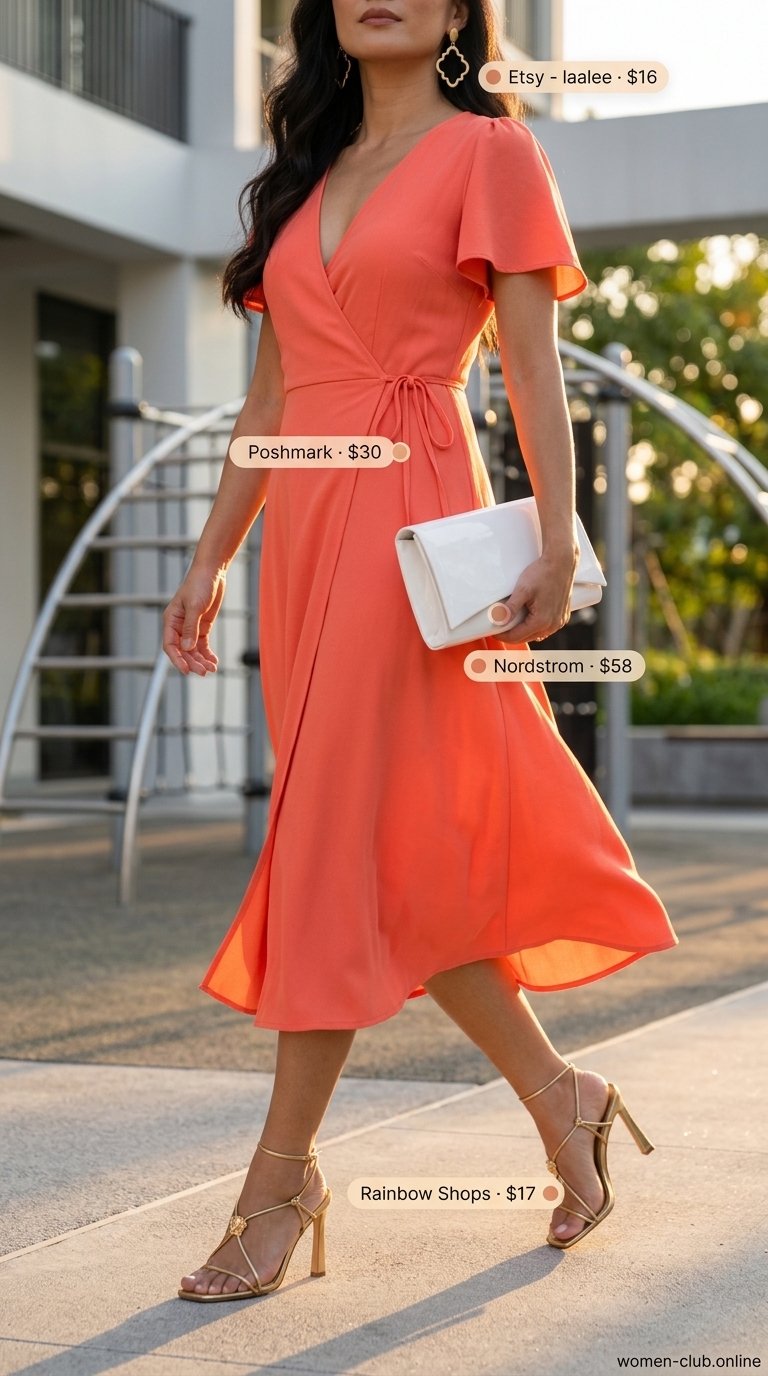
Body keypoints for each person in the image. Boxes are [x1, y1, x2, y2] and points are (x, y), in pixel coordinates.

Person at [164, 0, 677, 1303]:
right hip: (308, 536)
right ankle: (565, 1098)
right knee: (387, 852)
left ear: (457, 10)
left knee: (340, 838)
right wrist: (211, 555)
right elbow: (272, 405)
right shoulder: (303, 178)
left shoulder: (491, 152)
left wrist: (556, 540)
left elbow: (530, 360)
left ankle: (278, 1183)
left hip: (413, 520)